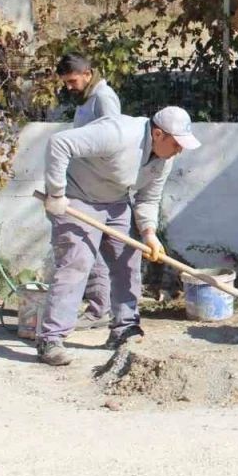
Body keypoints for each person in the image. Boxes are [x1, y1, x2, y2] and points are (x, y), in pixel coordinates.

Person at [37, 107, 200, 366]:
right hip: (76, 199)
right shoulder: (118, 134)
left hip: (116, 202)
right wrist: (56, 193)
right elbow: (59, 143)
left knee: (128, 263)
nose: (179, 150)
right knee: (77, 264)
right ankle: (51, 339)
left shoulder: (164, 159)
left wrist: (149, 233)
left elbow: (148, 198)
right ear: (158, 134)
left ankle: (124, 328)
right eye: (177, 143)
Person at [55, 53, 122, 330]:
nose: (69, 86)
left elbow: (113, 139)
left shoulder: (104, 98)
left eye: (72, 81)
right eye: (66, 82)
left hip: (99, 190)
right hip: (83, 186)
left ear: (87, 73)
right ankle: (99, 308)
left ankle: (105, 312)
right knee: (89, 251)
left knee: (95, 252)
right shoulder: (87, 99)